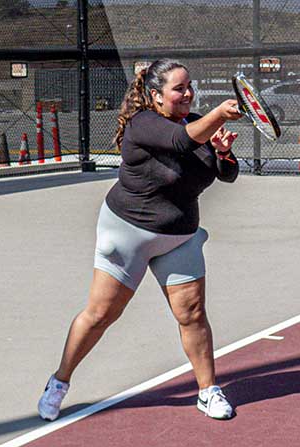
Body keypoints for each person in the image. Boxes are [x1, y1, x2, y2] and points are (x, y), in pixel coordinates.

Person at [38, 59, 243, 421]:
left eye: (189, 86)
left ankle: (208, 390)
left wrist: (223, 152)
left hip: (179, 235)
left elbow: (225, 174)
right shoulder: (144, 124)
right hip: (127, 232)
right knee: (101, 314)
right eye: (179, 88)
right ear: (155, 95)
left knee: (192, 314)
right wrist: (219, 115)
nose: (187, 93)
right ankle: (59, 381)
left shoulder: (194, 123)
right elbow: (180, 142)